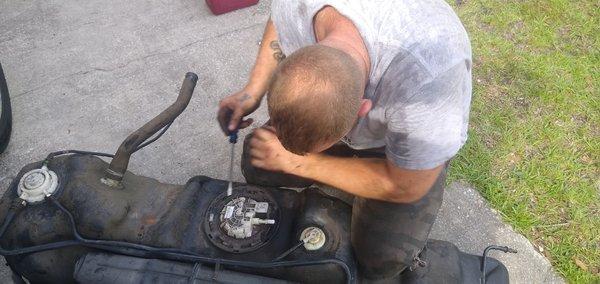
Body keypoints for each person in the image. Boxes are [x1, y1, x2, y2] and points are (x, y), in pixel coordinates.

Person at [217, 0, 471, 281]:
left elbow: (406, 185)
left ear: (363, 109)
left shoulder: (430, 77)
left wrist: (302, 164)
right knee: (257, 160)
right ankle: (342, 176)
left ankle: (357, 184)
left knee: (381, 261)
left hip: (399, 154)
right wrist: (252, 92)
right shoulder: (299, 5)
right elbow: (280, 23)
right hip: (349, 107)